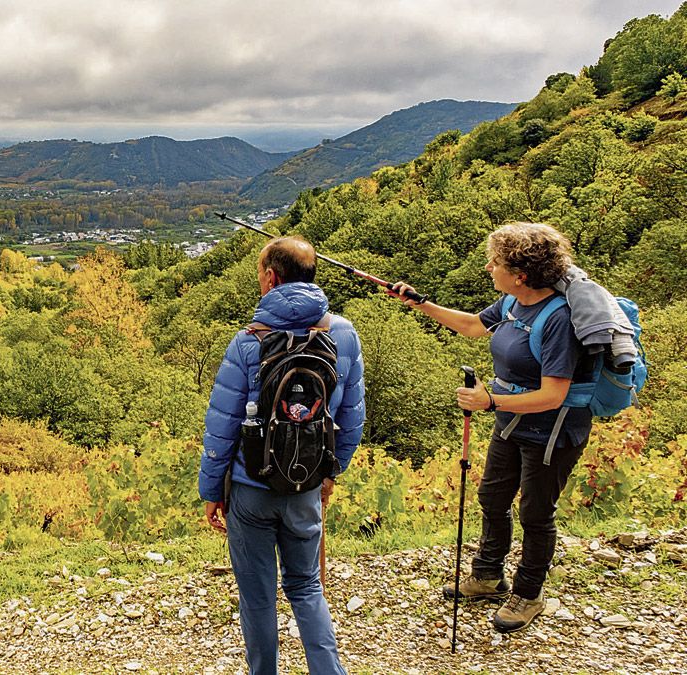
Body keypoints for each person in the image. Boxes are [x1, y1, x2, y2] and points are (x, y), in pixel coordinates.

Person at [391, 222, 592, 634]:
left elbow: (554, 394)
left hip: (552, 431)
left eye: (495, 262)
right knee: (492, 497)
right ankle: (487, 577)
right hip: (511, 424)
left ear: (520, 274)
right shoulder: (512, 303)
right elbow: (470, 326)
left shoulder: (558, 319)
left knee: (536, 512)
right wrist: (420, 303)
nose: (487, 268)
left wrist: (491, 401)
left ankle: (529, 593)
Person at [199, 235, 365, 675]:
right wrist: (330, 472)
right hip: (306, 484)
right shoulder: (343, 335)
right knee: (307, 587)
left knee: (258, 598)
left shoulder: (249, 341)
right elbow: (351, 416)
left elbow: (222, 426)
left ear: (271, 277)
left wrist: (211, 491)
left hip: (252, 489)